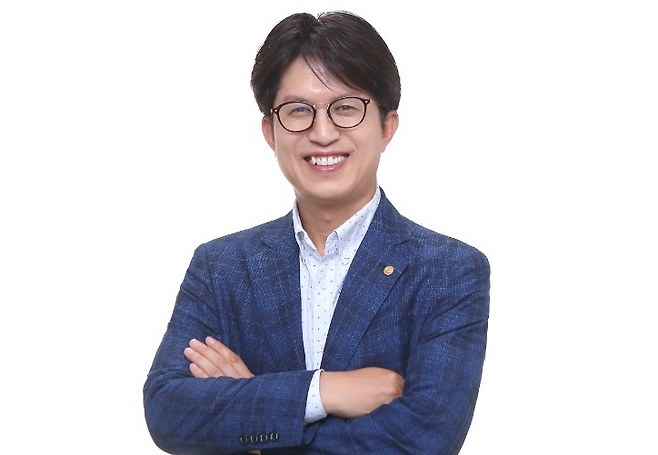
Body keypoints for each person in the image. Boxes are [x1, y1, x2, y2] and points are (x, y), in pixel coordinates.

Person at [144, 10, 490, 455]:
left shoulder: (449, 270)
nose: (323, 133)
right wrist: (323, 391)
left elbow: (425, 441)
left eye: (345, 108)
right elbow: (169, 411)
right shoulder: (221, 266)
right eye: (298, 111)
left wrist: (257, 419)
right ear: (270, 132)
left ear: (387, 127)